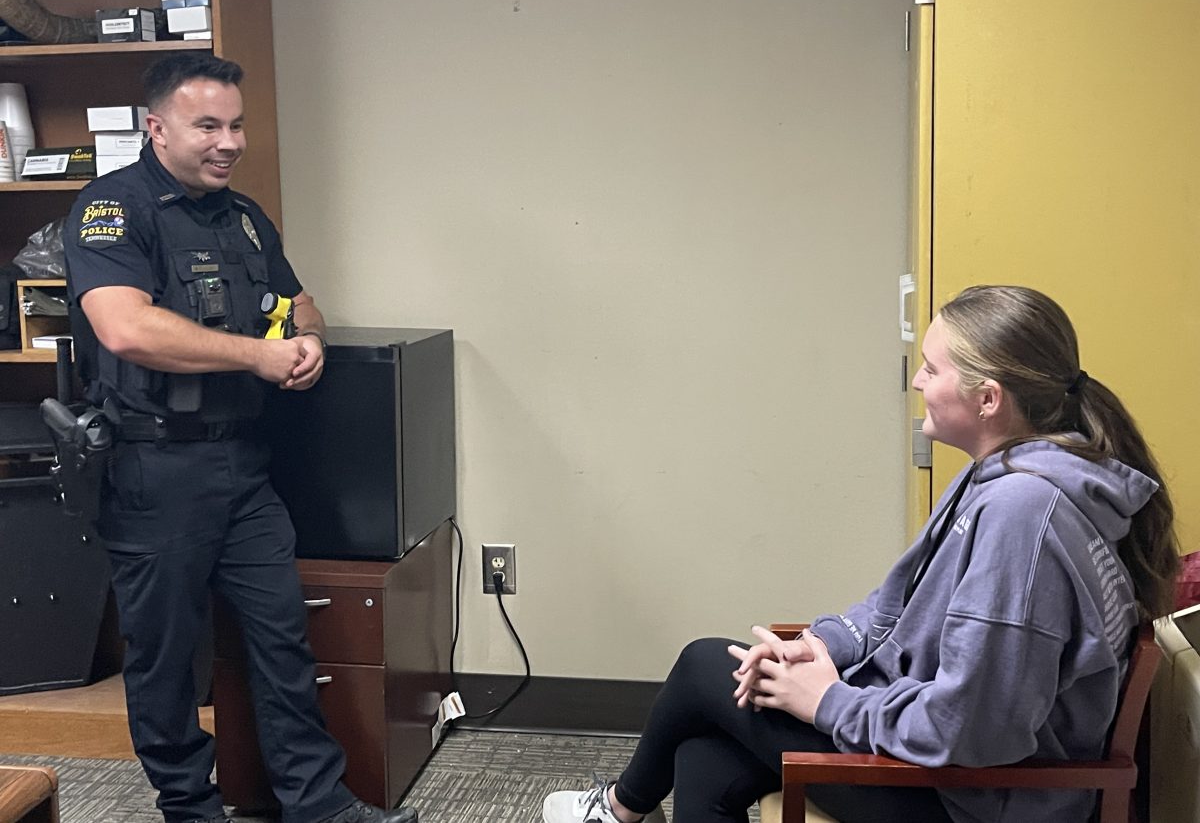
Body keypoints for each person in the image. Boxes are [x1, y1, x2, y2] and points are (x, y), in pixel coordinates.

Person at [542, 285, 1178, 823]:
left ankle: (617, 812)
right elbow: (895, 606)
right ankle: (618, 813)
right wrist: (820, 648)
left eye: (932, 368)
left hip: (976, 799)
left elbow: (975, 731)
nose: (917, 380)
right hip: (948, 761)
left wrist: (826, 702)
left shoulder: (1023, 513)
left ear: (988, 399)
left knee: (705, 665)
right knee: (703, 758)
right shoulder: (1004, 471)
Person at [63, 53, 416, 823]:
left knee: (281, 639)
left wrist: (308, 341)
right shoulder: (113, 210)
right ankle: (190, 808)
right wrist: (259, 354)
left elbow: (299, 302)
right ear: (157, 129)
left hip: (243, 467)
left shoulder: (245, 216)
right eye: (208, 126)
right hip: (154, 468)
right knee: (164, 659)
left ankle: (317, 804)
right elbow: (124, 326)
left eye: (237, 124)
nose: (229, 142)